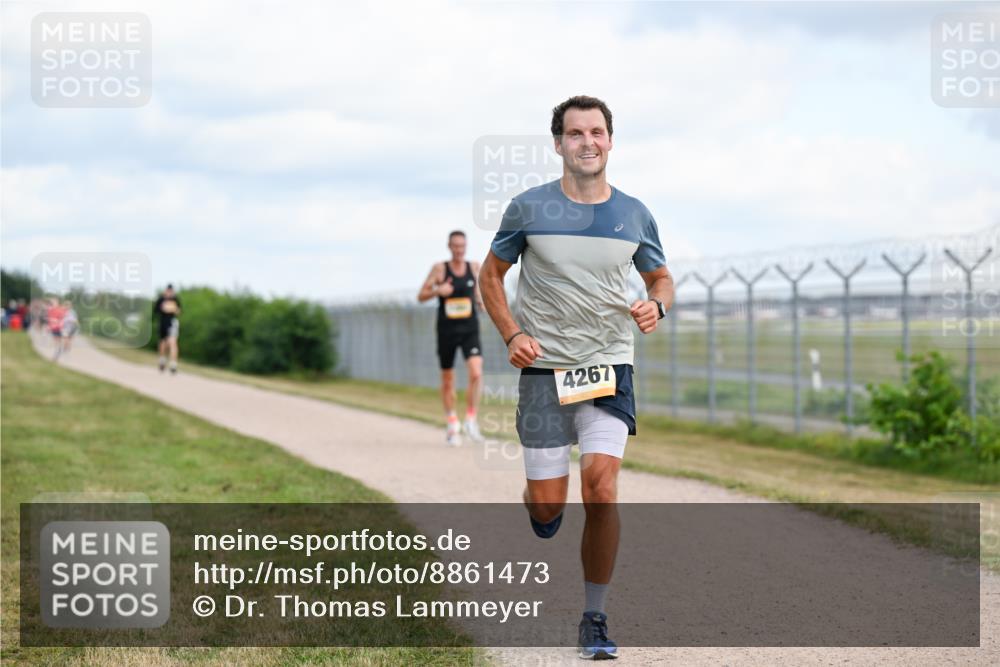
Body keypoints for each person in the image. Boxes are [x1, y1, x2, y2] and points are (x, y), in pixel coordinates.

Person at [479, 95, 674, 660]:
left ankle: (595, 616)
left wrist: (656, 306)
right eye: (575, 133)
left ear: (610, 141)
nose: (587, 142)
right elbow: (490, 276)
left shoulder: (634, 213)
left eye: (596, 132)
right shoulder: (528, 208)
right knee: (547, 505)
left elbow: (661, 278)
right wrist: (513, 333)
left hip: (608, 365)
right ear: (558, 143)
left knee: (601, 489)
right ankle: (539, 504)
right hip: (545, 369)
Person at [418, 231, 486, 447]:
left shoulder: (474, 267)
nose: (459, 250)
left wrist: (481, 301)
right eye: (455, 246)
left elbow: (480, 292)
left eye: (462, 246)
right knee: (448, 380)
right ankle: (451, 423)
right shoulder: (440, 269)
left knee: (476, 373)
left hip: (469, 329)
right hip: (447, 330)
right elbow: (421, 296)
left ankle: (471, 419)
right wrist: (438, 290)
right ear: (449, 246)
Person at [153, 284, 182, 374]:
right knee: (163, 343)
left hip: (172, 323)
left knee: (173, 342)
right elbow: (156, 310)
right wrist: (164, 308)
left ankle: (173, 364)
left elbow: (179, 311)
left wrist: (173, 309)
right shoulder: (161, 299)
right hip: (162, 323)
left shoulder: (175, 299)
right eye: (168, 291)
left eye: (171, 291)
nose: (169, 292)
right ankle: (162, 361)